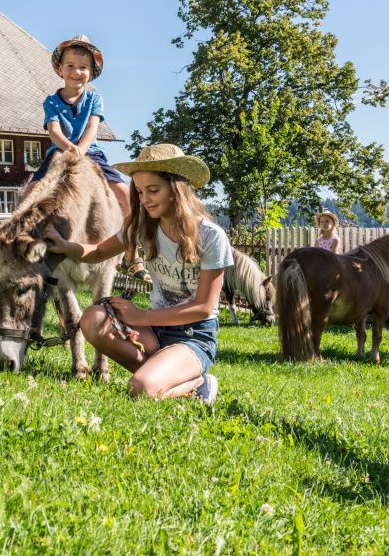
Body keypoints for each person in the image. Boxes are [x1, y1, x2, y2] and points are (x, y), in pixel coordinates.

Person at [43, 144, 233, 404]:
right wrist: (65, 246)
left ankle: (198, 383)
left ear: (177, 189)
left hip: (193, 336)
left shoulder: (211, 237)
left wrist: (140, 315)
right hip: (153, 331)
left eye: (153, 190)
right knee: (92, 318)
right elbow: (99, 251)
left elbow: (203, 307)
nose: (145, 199)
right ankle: (163, 374)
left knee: (140, 389)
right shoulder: (142, 227)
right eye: (140, 192)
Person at [22, 35, 149, 281]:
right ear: (60, 69)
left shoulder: (94, 99)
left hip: (91, 152)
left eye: (83, 67)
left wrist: (81, 149)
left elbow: (92, 128)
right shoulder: (51, 101)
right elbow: (53, 130)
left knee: (125, 193)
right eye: (70, 66)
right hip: (59, 152)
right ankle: (33, 250)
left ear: (91, 73)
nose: (76, 72)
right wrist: (69, 148)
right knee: (30, 193)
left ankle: (132, 253)